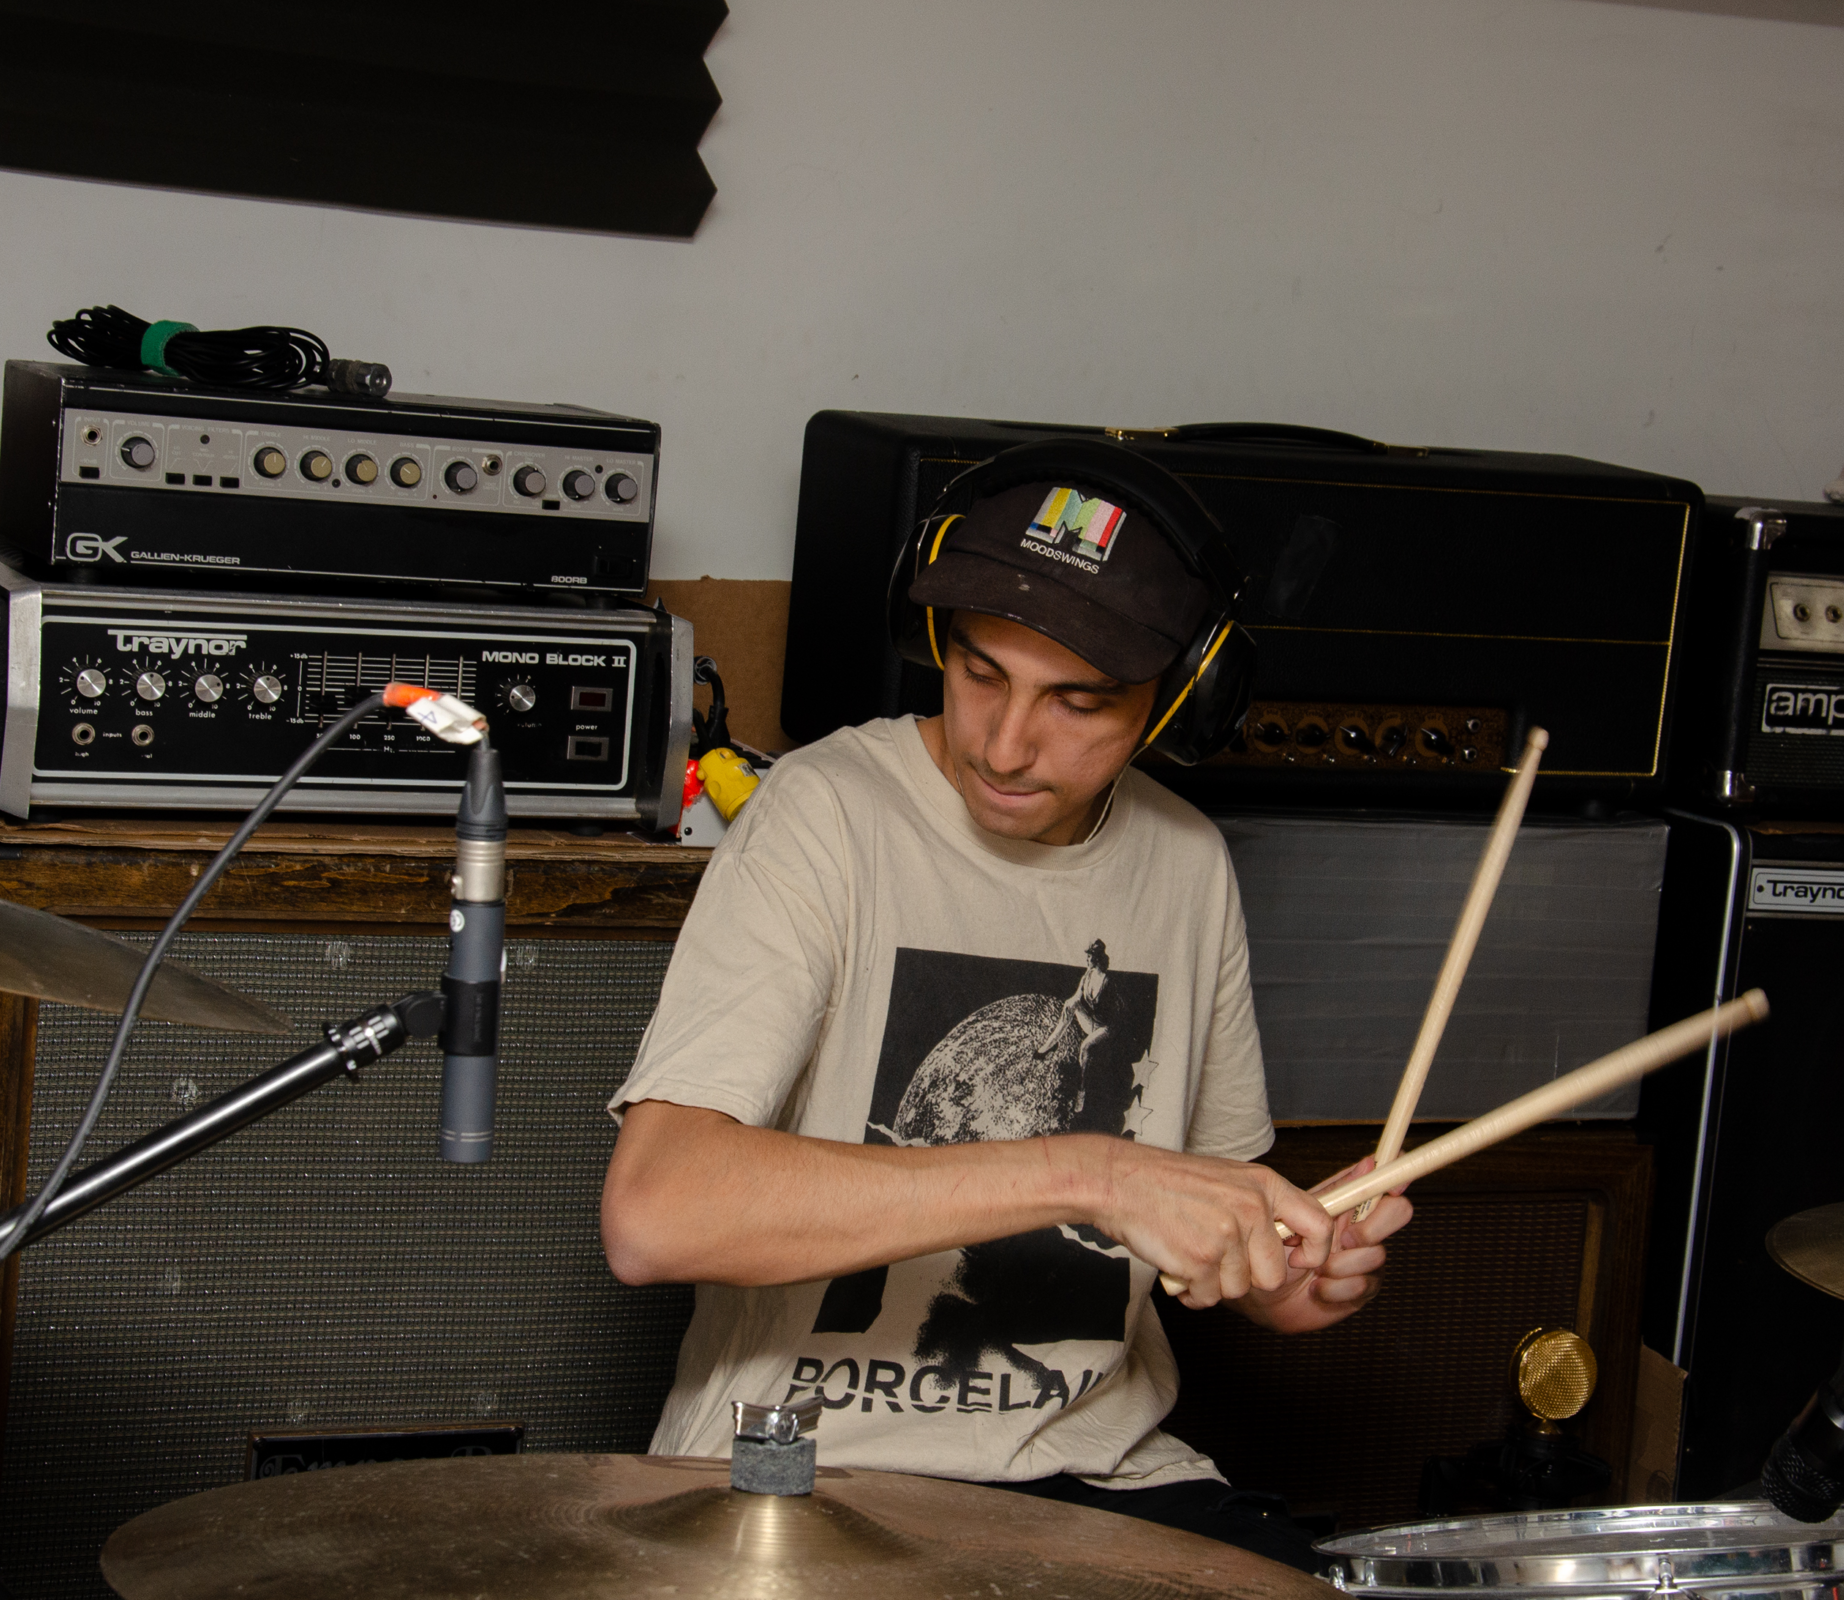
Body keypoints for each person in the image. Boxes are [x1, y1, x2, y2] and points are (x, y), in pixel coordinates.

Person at [600, 443, 1414, 1567]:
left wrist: (1287, 1277)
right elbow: (656, 1215)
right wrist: (1094, 1173)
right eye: (981, 672)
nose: (1005, 744)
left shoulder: (1186, 864)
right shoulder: (824, 815)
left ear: (1184, 694)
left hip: (1100, 1479)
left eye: (1078, 702)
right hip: (809, 1464)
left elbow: (1209, 1233)